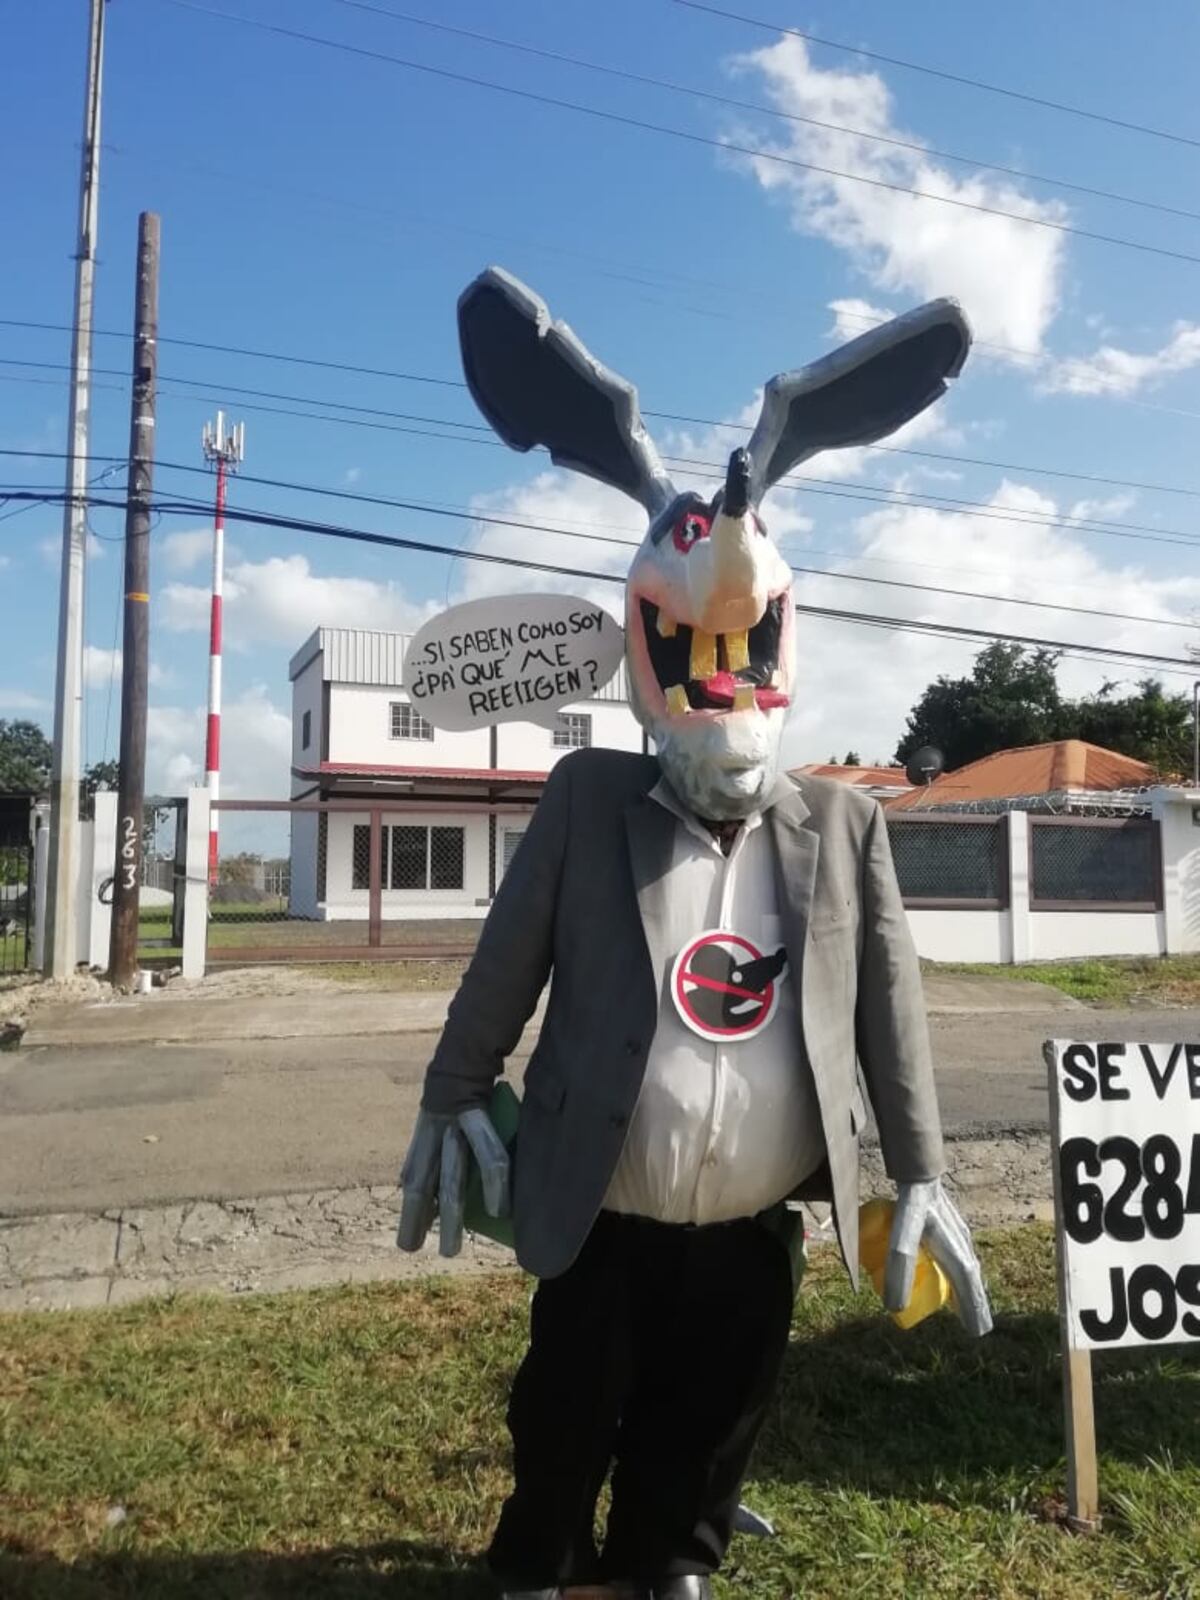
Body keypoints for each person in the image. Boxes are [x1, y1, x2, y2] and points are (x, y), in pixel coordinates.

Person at [398, 269, 993, 1600]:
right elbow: (510, 961)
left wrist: (924, 1169)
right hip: (605, 1196)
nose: (719, 675)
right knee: (569, 1401)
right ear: (644, 650)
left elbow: (890, 1013)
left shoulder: (844, 827)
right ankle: (539, 1560)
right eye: (690, 648)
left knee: (714, 1414)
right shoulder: (588, 798)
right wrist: (449, 1093)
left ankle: (671, 1559)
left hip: (753, 1223)